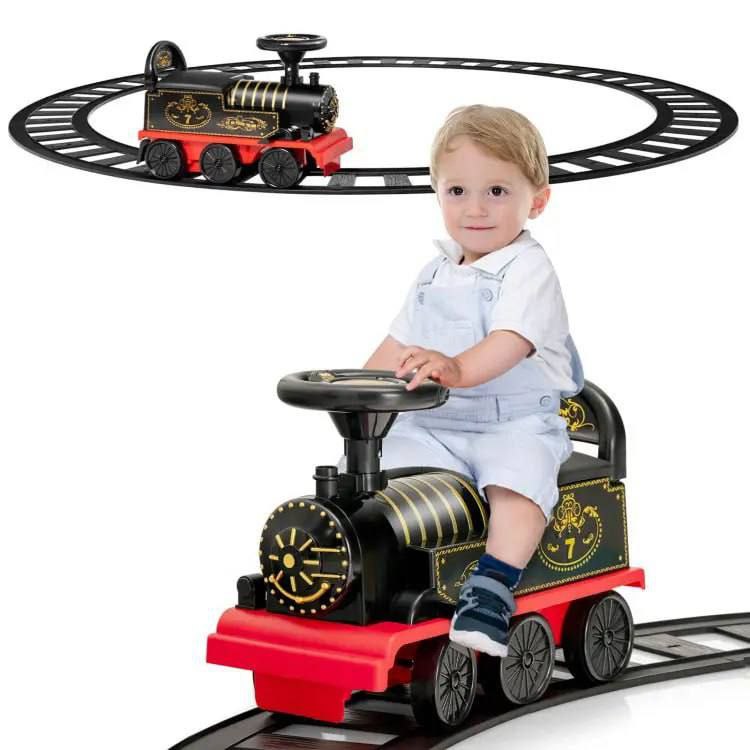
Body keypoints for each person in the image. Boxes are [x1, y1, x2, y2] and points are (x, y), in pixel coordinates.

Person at [361, 105, 584, 657]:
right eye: (457, 191)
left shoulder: (528, 268)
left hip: (513, 422)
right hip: (435, 424)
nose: (475, 208)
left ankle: (492, 587)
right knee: (380, 473)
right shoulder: (434, 273)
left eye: (497, 192)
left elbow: (509, 341)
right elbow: (395, 346)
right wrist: (359, 390)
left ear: (537, 200)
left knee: (517, 480)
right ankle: (388, 577)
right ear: (437, 193)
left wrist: (457, 369)